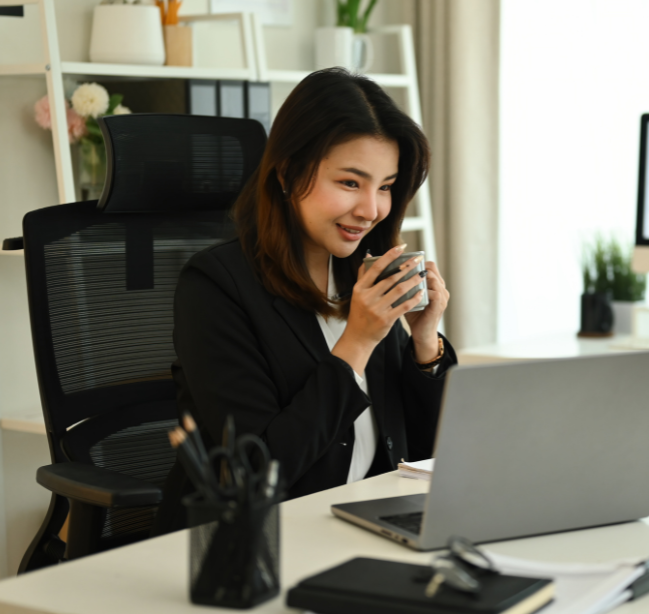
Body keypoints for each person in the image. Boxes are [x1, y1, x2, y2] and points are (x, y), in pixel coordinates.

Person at [154, 68, 454, 533]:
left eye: (386, 186)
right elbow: (261, 469)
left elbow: (425, 452)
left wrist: (424, 342)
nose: (372, 209)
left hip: (366, 521)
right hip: (255, 542)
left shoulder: (363, 273)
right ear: (289, 172)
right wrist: (355, 344)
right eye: (351, 183)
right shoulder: (215, 287)